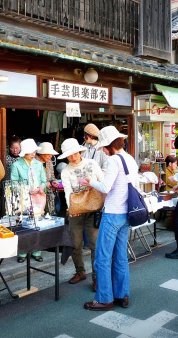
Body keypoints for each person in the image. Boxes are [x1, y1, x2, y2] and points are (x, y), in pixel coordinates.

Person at [79, 126, 137, 311]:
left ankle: (105, 298)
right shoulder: (130, 159)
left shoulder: (113, 161)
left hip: (112, 213)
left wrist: (90, 181)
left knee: (102, 258)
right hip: (126, 214)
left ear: (111, 145)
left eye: (104, 146)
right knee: (120, 257)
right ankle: (122, 295)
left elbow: (105, 187)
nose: (103, 150)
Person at [58, 138, 104, 292]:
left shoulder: (91, 163)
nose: (73, 157)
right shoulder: (65, 171)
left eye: (75, 153)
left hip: (94, 207)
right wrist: (72, 207)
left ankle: (97, 277)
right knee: (75, 243)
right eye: (69, 155)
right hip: (76, 208)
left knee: (94, 243)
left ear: (79, 151)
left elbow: (103, 182)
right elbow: (67, 191)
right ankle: (80, 271)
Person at [11, 138, 47, 262]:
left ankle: (36, 251)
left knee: (38, 224)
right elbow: (13, 185)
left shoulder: (38, 164)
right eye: (31, 152)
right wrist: (27, 190)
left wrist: (43, 186)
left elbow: (43, 180)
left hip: (38, 197)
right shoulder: (16, 165)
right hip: (23, 198)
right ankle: (22, 253)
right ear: (25, 152)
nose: (33, 154)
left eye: (34, 152)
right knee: (24, 225)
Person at [35, 142, 60, 217]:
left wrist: (53, 182)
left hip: (49, 196)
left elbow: (52, 176)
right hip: (37, 195)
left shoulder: (49, 163)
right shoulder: (34, 163)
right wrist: (44, 184)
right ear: (42, 153)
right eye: (48, 154)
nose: (51, 156)